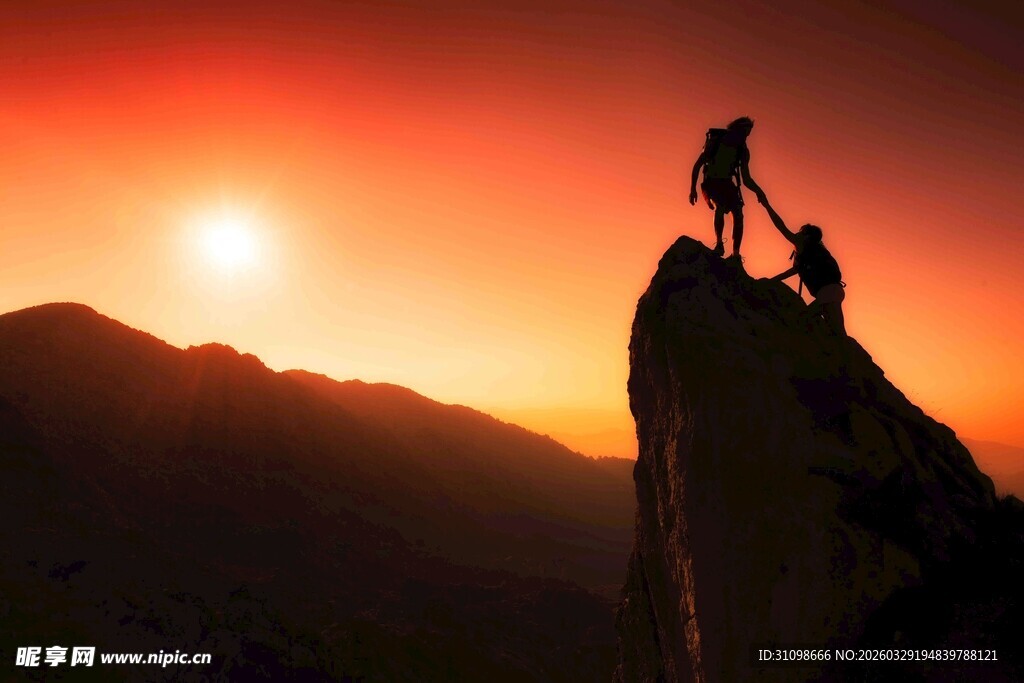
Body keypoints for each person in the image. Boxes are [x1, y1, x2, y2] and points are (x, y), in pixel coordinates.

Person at [756, 189, 847, 336]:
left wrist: (767, 206)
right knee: (834, 330)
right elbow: (793, 271)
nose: (796, 234)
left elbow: (781, 227)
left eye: (801, 232)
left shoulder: (804, 246)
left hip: (828, 292)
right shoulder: (812, 252)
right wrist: (772, 280)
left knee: (805, 321)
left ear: (806, 236)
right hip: (833, 291)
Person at [689, 116, 763, 259]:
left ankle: (736, 254)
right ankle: (719, 244)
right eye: (744, 134)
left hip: (727, 184)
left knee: (739, 214)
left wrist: (759, 192)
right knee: (720, 207)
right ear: (736, 130)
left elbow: (746, 178)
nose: (746, 138)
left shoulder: (742, 150)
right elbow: (698, 164)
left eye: (748, 135)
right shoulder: (716, 142)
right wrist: (692, 189)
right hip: (711, 182)